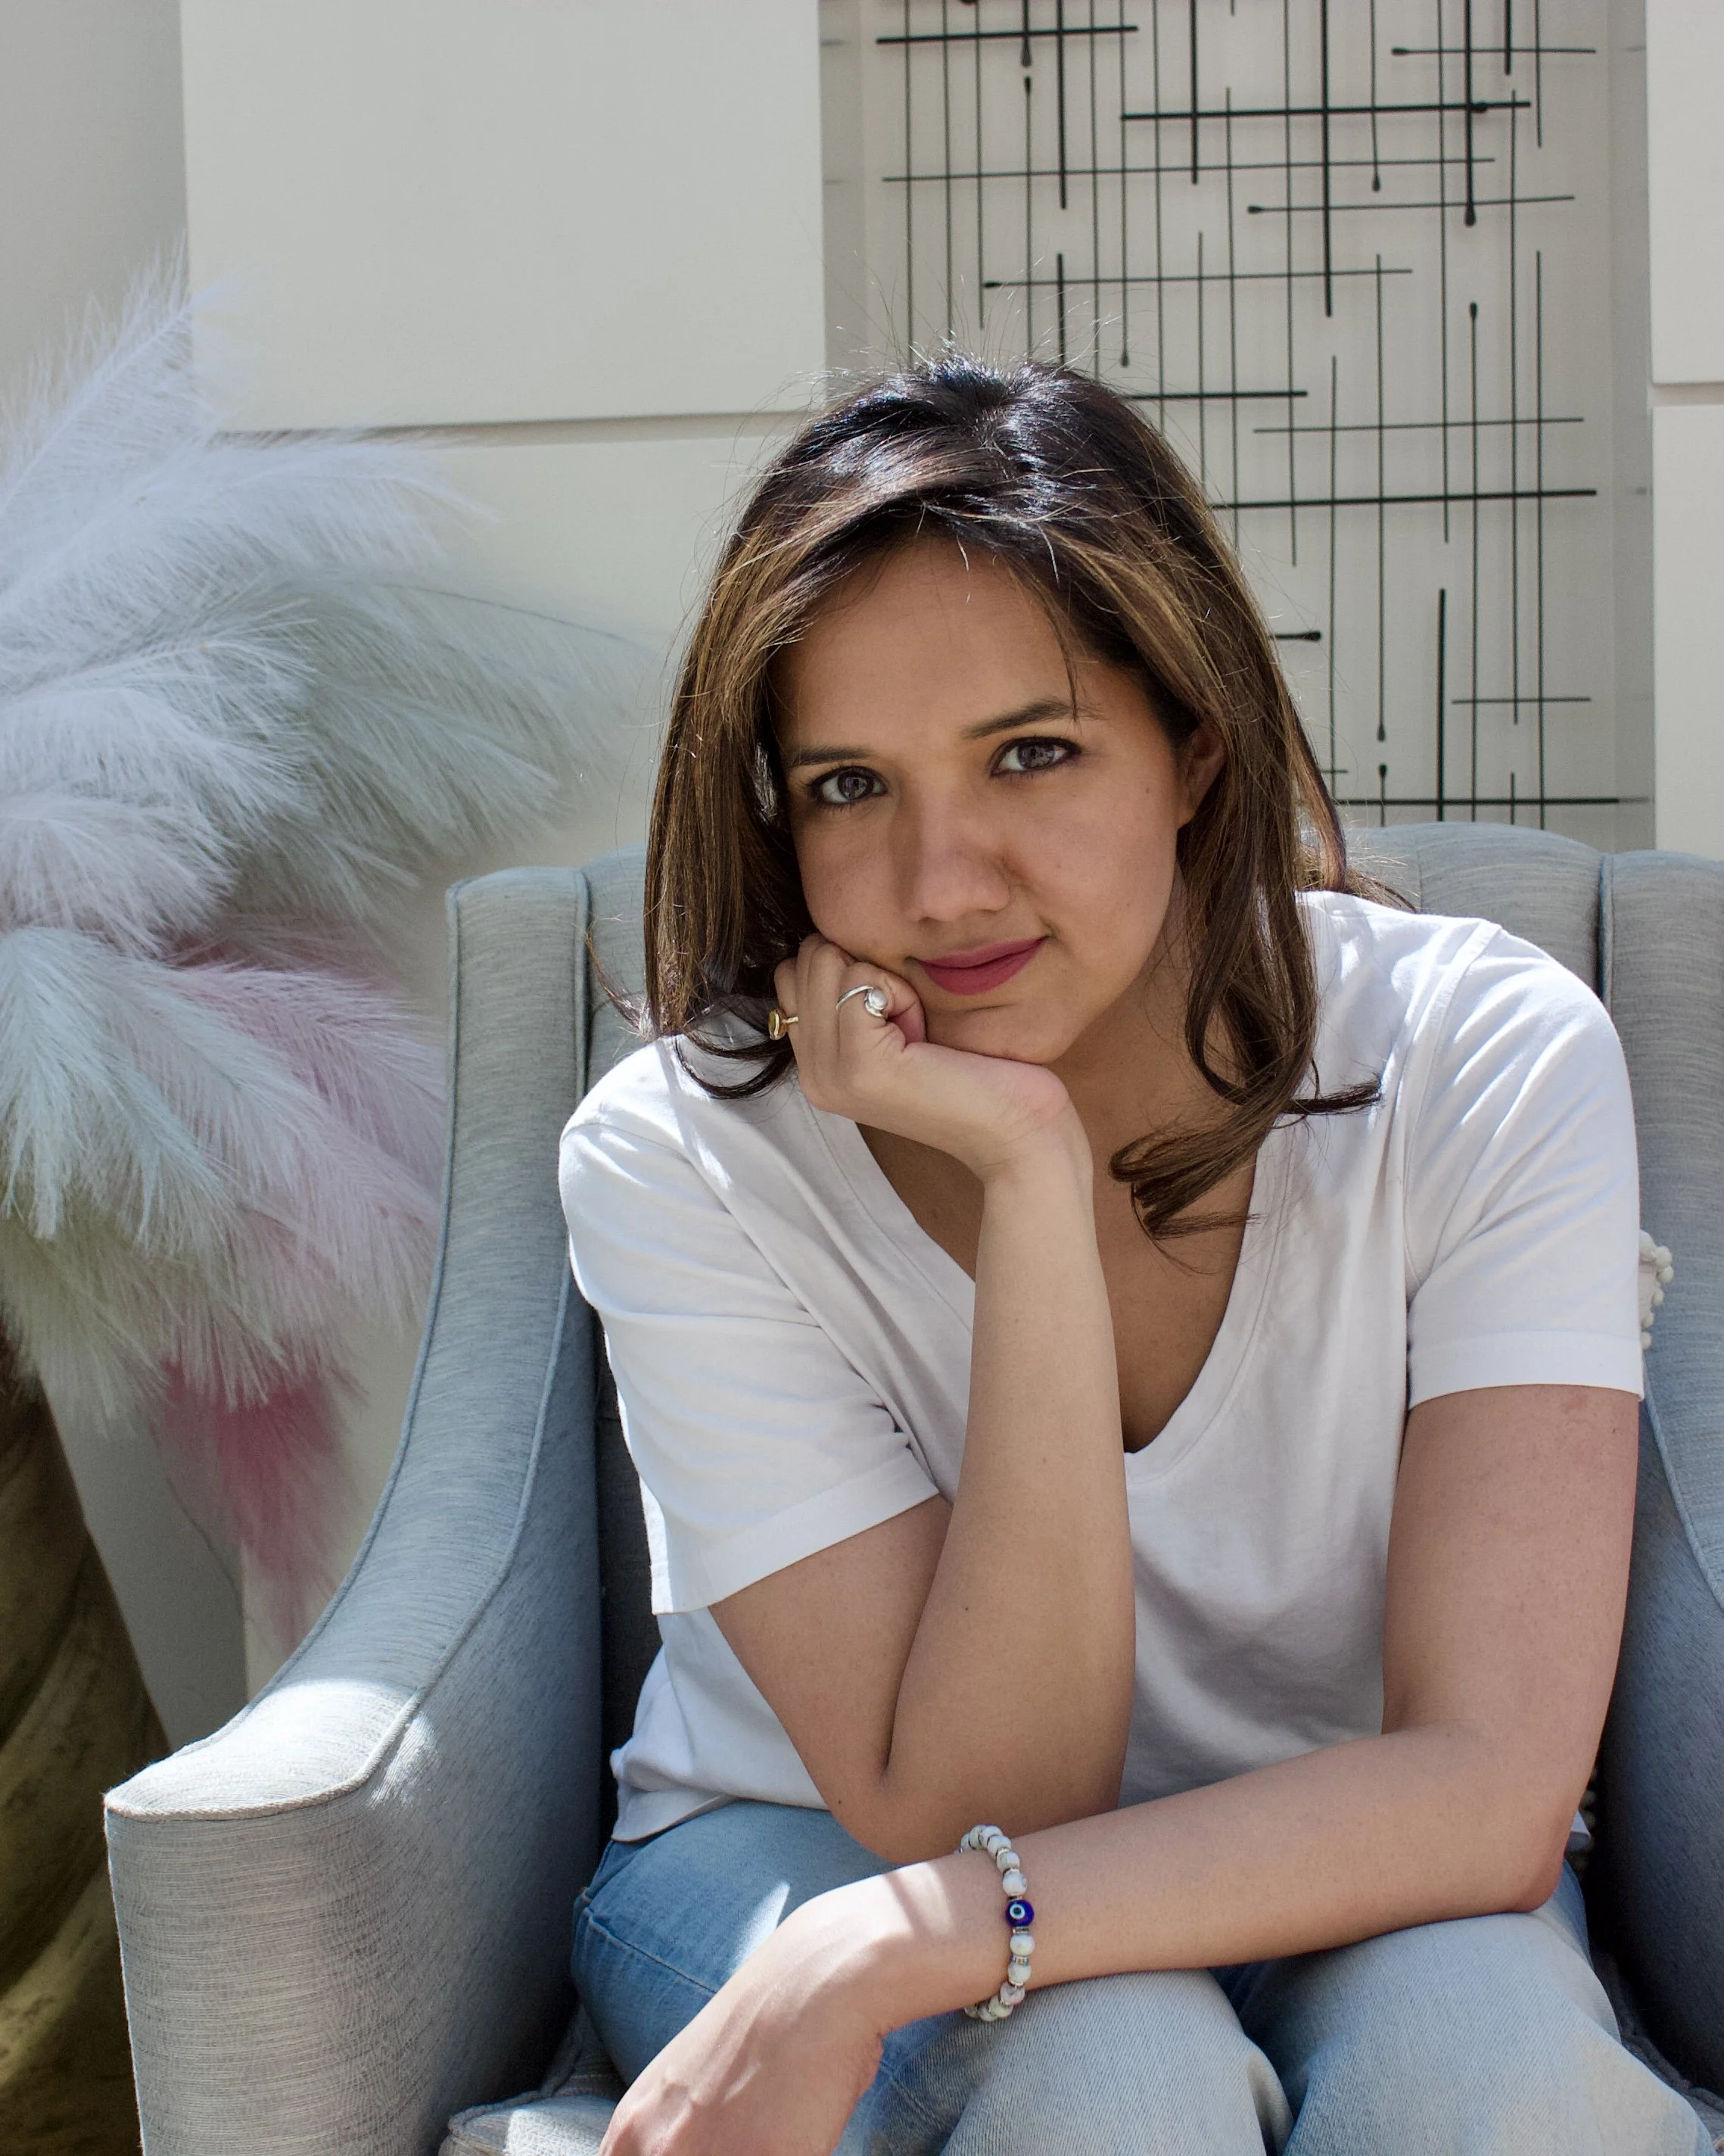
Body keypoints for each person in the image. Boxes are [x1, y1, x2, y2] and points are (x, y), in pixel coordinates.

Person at [558, 358, 1699, 2154]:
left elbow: (1487, 1785)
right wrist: (1028, 1175)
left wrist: (883, 1950)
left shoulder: (1480, 1057)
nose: (941, 880)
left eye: (1031, 751)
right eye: (849, 784)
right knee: (1110, 2069)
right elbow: (980, 1797)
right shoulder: (682, 1152)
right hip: (805, 1836)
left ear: (1194, 750)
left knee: (1497, 2077)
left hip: (1344, 1847)